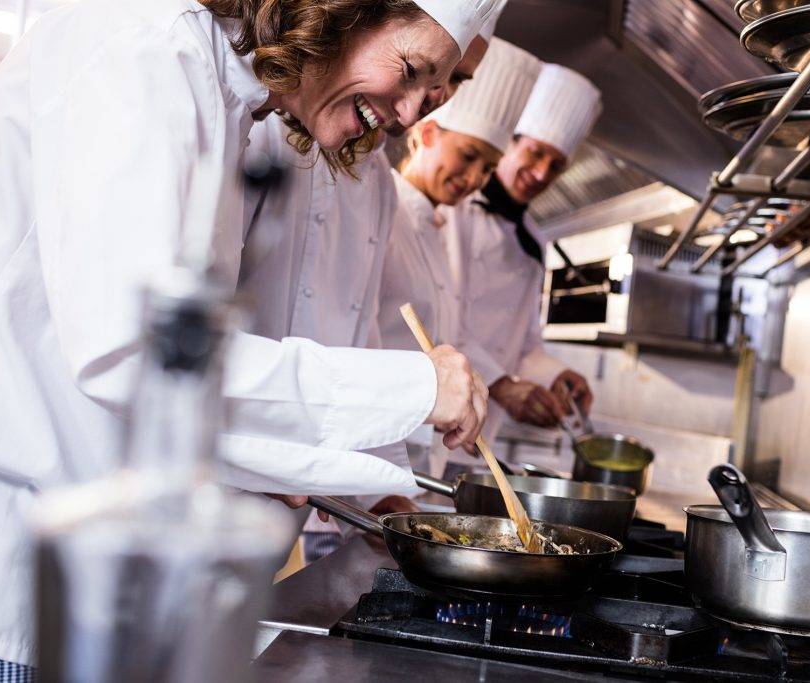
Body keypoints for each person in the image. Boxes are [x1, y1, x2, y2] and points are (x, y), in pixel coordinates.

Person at [0, 0, 500, 671]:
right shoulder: (147, 45)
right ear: (341, 10)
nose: (407, 113)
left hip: (102, 580)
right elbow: (135, 350)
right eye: (409, 70)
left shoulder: (219, 86)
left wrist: (298, 460)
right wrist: (416, 387)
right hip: (17, 580)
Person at [239, 5, 508, 550]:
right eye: (420, 71)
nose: (426, 102)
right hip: (220, 474)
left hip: (282, 494)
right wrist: (414, 390)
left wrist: (376, 489)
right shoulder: (259, 127)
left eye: (453, 80)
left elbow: (360, 334)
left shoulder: (376, 180)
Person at [377, 38, 541, 476]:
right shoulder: (382, 205)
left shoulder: (438, 229)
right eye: (468, 156)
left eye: (487, 168)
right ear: (426, 134)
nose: (474, 178)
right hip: (364, 458)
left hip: (407, 461)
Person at [446, 63, 603, 445]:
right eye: (535, 153)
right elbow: (439, 320)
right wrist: (500, 384)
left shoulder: (533, 241)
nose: (541, 173)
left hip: (481, 429)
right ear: (508, 145)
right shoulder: (452, 211)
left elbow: (524, 345)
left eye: (556, 166)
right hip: (428, 419)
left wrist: (555, 375)